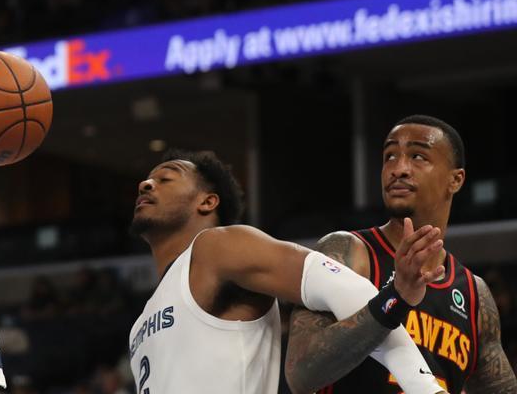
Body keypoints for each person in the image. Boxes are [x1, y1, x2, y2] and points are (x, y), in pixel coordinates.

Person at [128, 149, 451, 394]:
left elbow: (342, 286)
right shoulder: (140, 323)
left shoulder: (217, 248)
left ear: (207, 202)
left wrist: (424, 387)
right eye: (148, 180)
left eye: (165, 178)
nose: (145, 184)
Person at [286, 115, 517, 393]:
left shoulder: (474, 294)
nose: (399, 168)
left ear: (455, 179)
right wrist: (395, 298)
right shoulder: (347, 252)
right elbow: (301, 375)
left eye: (418, 156)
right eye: (390, 156)